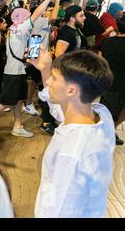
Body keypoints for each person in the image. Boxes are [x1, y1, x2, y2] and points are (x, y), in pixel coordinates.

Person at [29, 49, 115, 218]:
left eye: (54, 78)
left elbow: (60, 211)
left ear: (71, 91)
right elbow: (61, 110)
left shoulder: (72, 152)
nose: (49, 83)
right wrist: (45, 69)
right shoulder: (100, 114)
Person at [0, 0, 62, 138]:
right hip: (14, 71)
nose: (30, 18)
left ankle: (17, 125)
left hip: (16, 69)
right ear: (22, 19)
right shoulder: (21, 29)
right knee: (7, 102)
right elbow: (37, 13)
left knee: (17, 99)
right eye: (27, 16)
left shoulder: (13, 30)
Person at [100, 20, 125, 146]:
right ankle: (107, 133)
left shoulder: (108, 41)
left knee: (106, 110)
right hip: (121, 84)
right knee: (116, 111)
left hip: (108, 81)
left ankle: (108, 131)